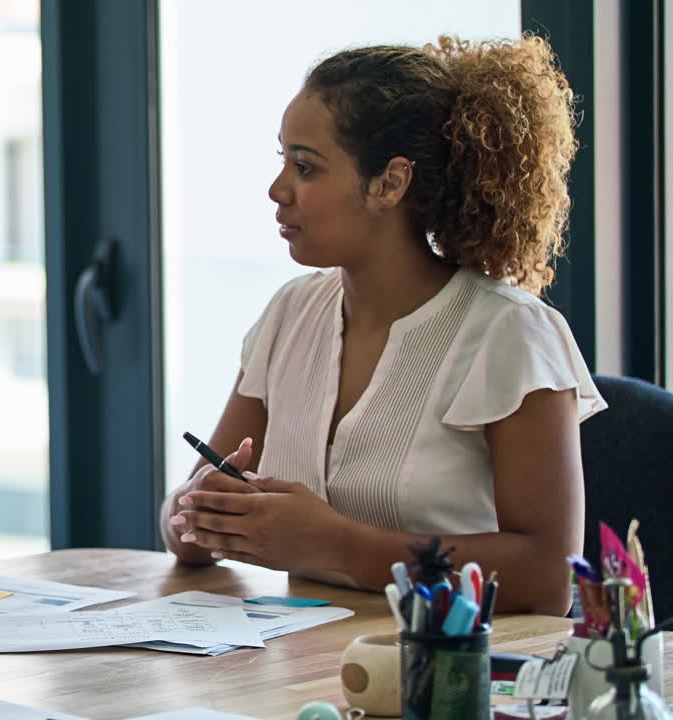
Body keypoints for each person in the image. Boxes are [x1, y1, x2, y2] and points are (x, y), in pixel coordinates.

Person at [160, 35, 604, 616]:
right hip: (300, 671)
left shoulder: (513, 335)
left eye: (306, 167)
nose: (278, 190)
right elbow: (183, 523)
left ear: (391, 183)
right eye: (283, 162)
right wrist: (197, 514)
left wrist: (335, 544)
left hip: (445, 679)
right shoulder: (289, 316)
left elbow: (548, 577)